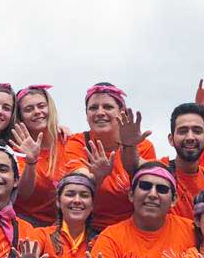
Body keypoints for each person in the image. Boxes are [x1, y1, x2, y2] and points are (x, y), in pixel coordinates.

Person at [64, 83, 157, 230]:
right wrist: (98, 177)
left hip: (131, 229)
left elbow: (149, 186)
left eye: (108, 107)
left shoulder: (143, 146)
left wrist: (129, 146)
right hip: (89, 228)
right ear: (86, 115)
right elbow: (79, 183)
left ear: (122, 113)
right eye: (93, 108)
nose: (100, 112)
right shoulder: (77, 142)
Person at [10, 84, 68, 227]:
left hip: (66, 221)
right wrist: (31, 161)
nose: (37, 112)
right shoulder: (16, 149)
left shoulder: (68, 140)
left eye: (41, 106)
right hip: (27, 223)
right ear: (21, 117)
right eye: (28, 109)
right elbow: (23, 193)